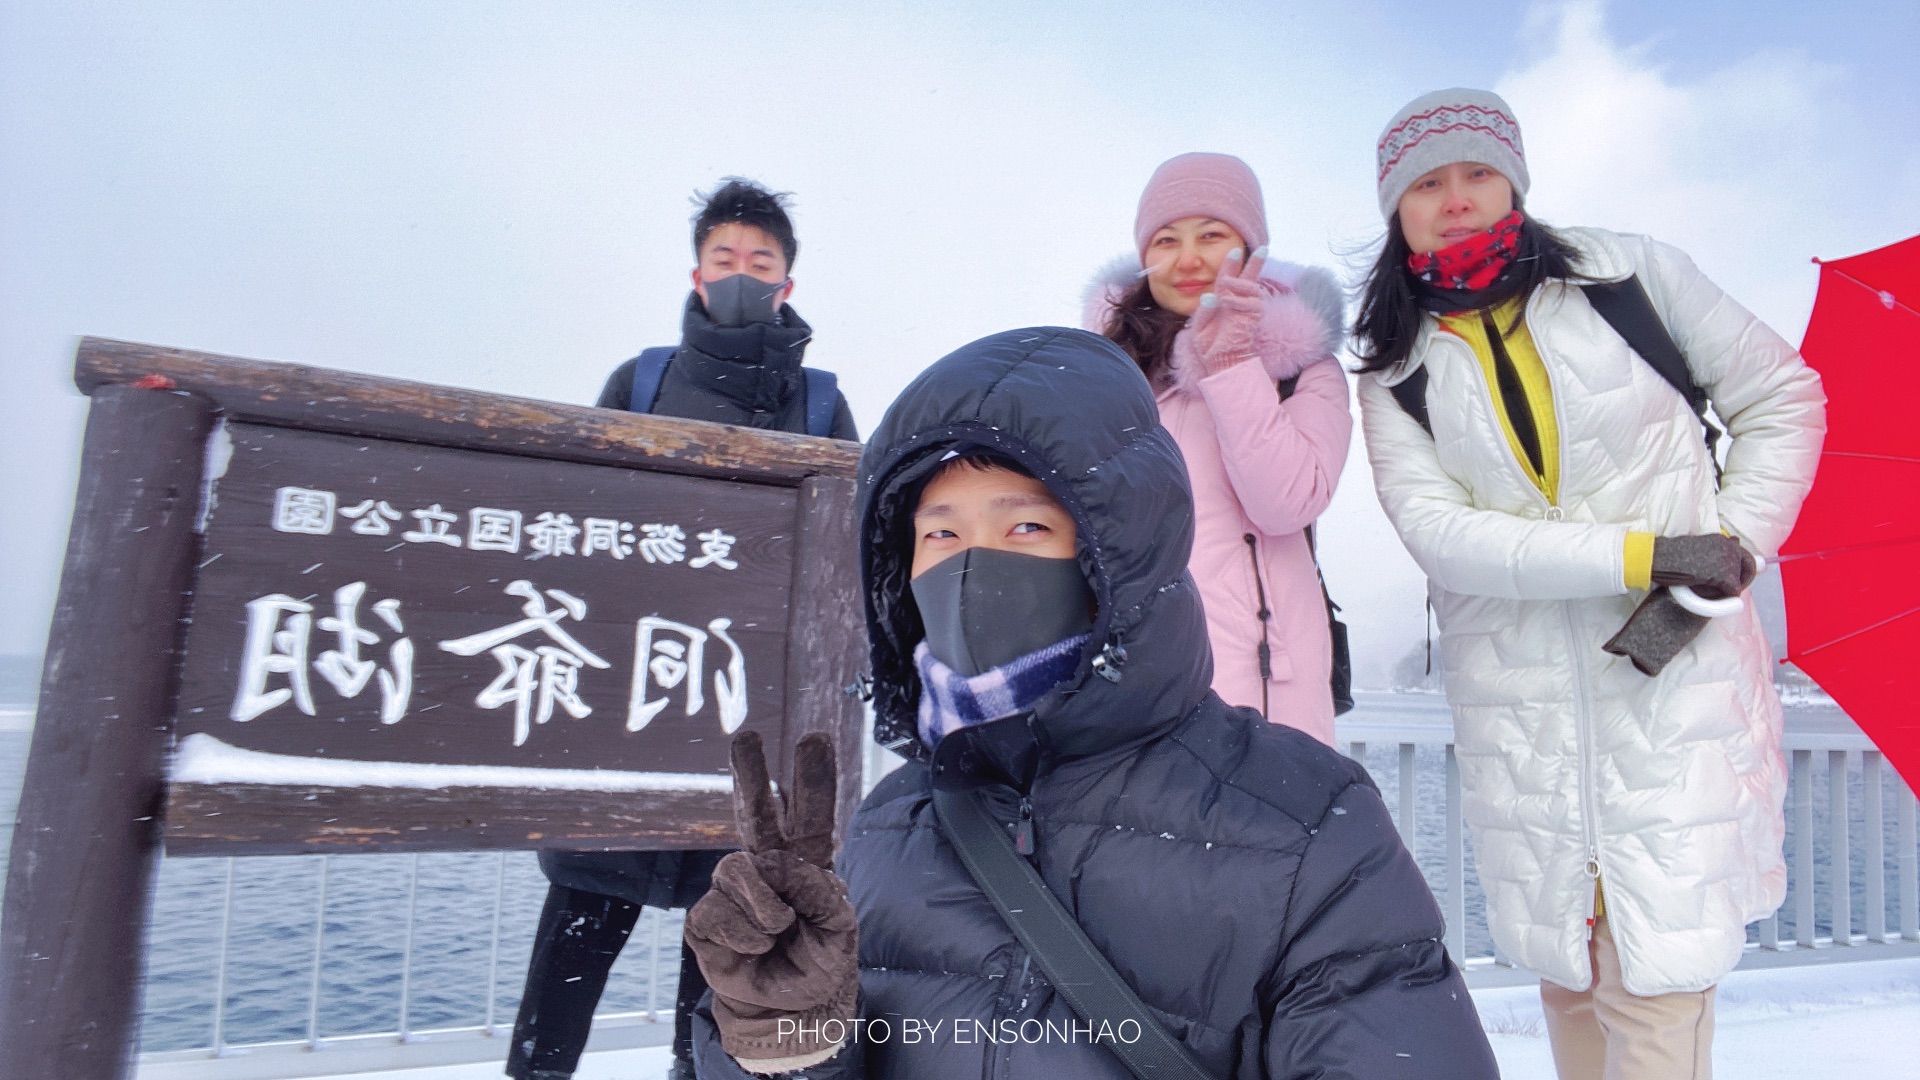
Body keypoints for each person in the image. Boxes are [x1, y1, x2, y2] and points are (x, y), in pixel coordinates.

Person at [682, 326, 1499, 1078]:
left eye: (1026, 528)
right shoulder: (890, 825)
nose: (973, 567)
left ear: (1118, 549)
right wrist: (779, 1041)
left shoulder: (1305, 821)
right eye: (941, 534)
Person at [1352, 88, 1826, 1079]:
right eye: (1427, 184)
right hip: (1520, 714)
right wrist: (1648, 555)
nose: (1456, 198)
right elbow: (1440, 536)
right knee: (1570, 978)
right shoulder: (1395, 366)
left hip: (1675, 669)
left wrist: (1725, 554)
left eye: (1476, 172)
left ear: (1514, 179)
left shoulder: (1631, 277)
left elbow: (1783, 396)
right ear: (1396, 207)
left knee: (1655, 984)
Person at [506, 177, 858, 1080]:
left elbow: (841, 560)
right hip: (628, 718)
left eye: (762, 264)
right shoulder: (643, 380)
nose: (742, 275)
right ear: (696, 274)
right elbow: (580, 525)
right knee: (563, 982)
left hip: (747, 734)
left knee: (716, 990)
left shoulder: (820, 403)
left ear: (788, 283)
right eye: (725, 260)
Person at [1085, 153, 1351, 744]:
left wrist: (1230, 364)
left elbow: (1286, 503)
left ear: (1251, 248)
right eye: (1165, 239)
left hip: (1264, 685)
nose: (1188, 258)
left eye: (1212, 235)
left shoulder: (1300, 365)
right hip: (1134, 676)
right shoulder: (1107, 373)